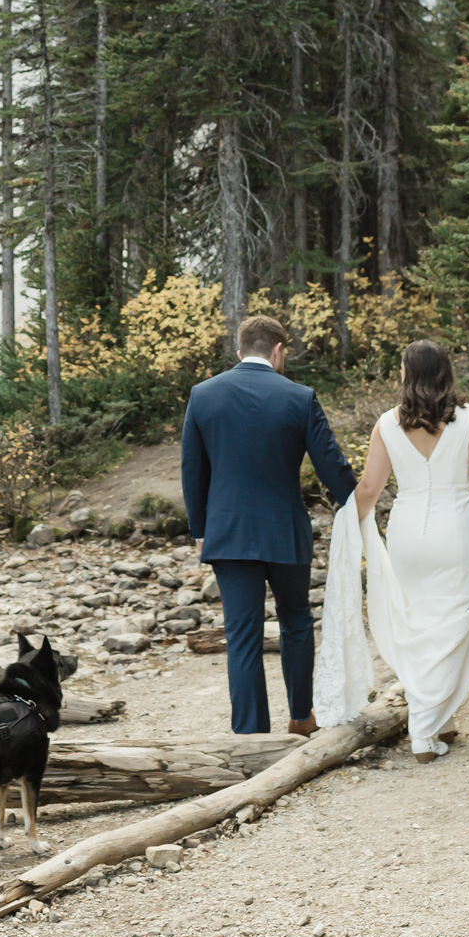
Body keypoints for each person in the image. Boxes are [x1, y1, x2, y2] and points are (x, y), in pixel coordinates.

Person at [316, 339, 469, 760]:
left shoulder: (386, 424)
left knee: (418, 623)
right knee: (455, 621)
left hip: (406, 533)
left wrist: (347, 524)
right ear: (444, 373)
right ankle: (423, 731)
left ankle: (441, 720)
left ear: (407, 374)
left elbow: (369, 489)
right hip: (455, 528)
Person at [181, 314, 356, 736]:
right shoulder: (299, 397)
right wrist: (358, 503)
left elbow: (192, 469)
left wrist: (202, 529)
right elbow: (330, 465)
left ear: (240, 351)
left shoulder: (203, 395)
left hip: (228, 532)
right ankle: (301, 717)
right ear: (278, 351)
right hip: (284, 530)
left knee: (242, 637)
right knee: (296, 621)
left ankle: (251, 736)